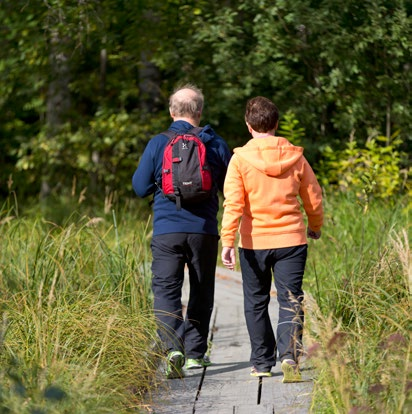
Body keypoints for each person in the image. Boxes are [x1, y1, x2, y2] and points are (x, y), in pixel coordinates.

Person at [220, 96, 323, 382]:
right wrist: (315, 225)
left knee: (256, 301)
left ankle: (262, 363)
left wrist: (227, 241)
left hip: (254, 243)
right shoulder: (296, 157)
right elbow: (313, 197)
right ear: (276, 124)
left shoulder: (240, 159)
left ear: (248, 126)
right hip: (291, 239)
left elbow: (233, 204)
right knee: (290, 299)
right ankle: (289, 355)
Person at [132, 84, 231, 379]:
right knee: (202, 290)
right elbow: (230, 189)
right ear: (199, 112)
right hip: (203, 230)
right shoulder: (215, 143)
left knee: (166, 290)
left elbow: (139, 188)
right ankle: (195, 355)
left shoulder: (157, 143)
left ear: (172, 112)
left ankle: (172, 349)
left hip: (167, 231)